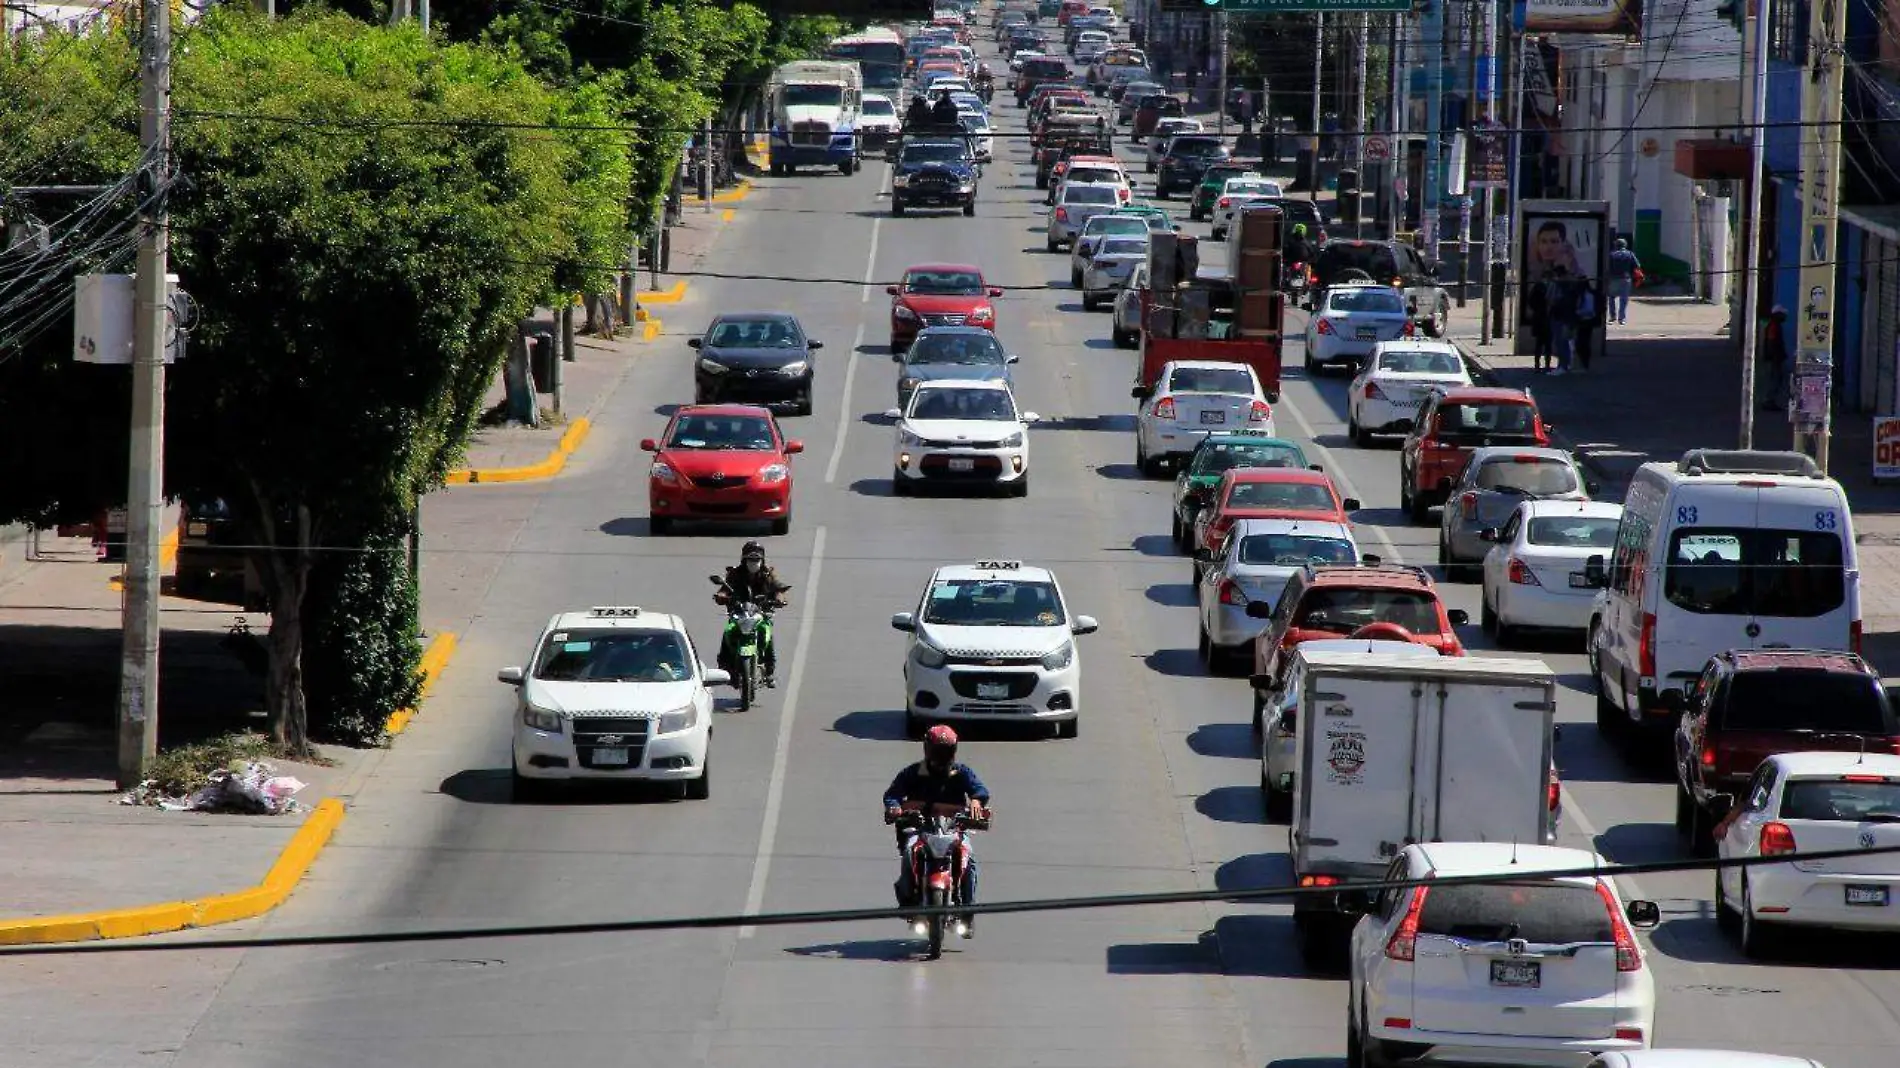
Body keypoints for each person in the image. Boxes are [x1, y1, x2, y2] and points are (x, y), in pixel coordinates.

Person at [884, 725, 990, 933]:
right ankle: (908, 900)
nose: (942, 757)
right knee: (908, 852)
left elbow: (980, 790)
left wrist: (977, 801)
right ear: (927, 749)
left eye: (947, 751)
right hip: (920, 828)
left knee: (970, 860)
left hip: (952, 828)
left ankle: (967, 911)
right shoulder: (912, 773)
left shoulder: (962, 773)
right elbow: (892, 795)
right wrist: (895, 808)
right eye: (937, 751)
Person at [715, 540, 790, 686]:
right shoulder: (735, 573)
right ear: (744, 559)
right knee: (728, 632)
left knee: (766, 632)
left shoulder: (768, 573)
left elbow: (778, 588)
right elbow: (724, 588)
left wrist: (779, 598)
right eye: (750, 559)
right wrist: (722, 596)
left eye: (757, 559)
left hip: (761, 612)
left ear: (762, 559)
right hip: (739, 612)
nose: (753, 562)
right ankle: (724, 667)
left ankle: (769, 671)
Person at [1760, 305, 1791, 410]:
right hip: (1774, 359)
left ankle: (1769, 400)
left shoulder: (1774, 325)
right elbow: (1771, 342)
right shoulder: (1774, 326)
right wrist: (1775, 357)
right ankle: (1769, 401)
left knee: (1776, 379)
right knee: (1775, 379)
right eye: (1782, 314)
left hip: (1774, 358)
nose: (1784, 317)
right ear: (1777, 315)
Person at [1606, 237, 1641, 324]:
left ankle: (1612, 316)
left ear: (1616, 245)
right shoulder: (1629, 254)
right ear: (1625, 245)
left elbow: (1606, 267)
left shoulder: (1611, 254)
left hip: (1613, 278)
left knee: (1611, 297)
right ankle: (1622, 319)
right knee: (1623, 299)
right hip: (1626, 279)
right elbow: (1637, 265)